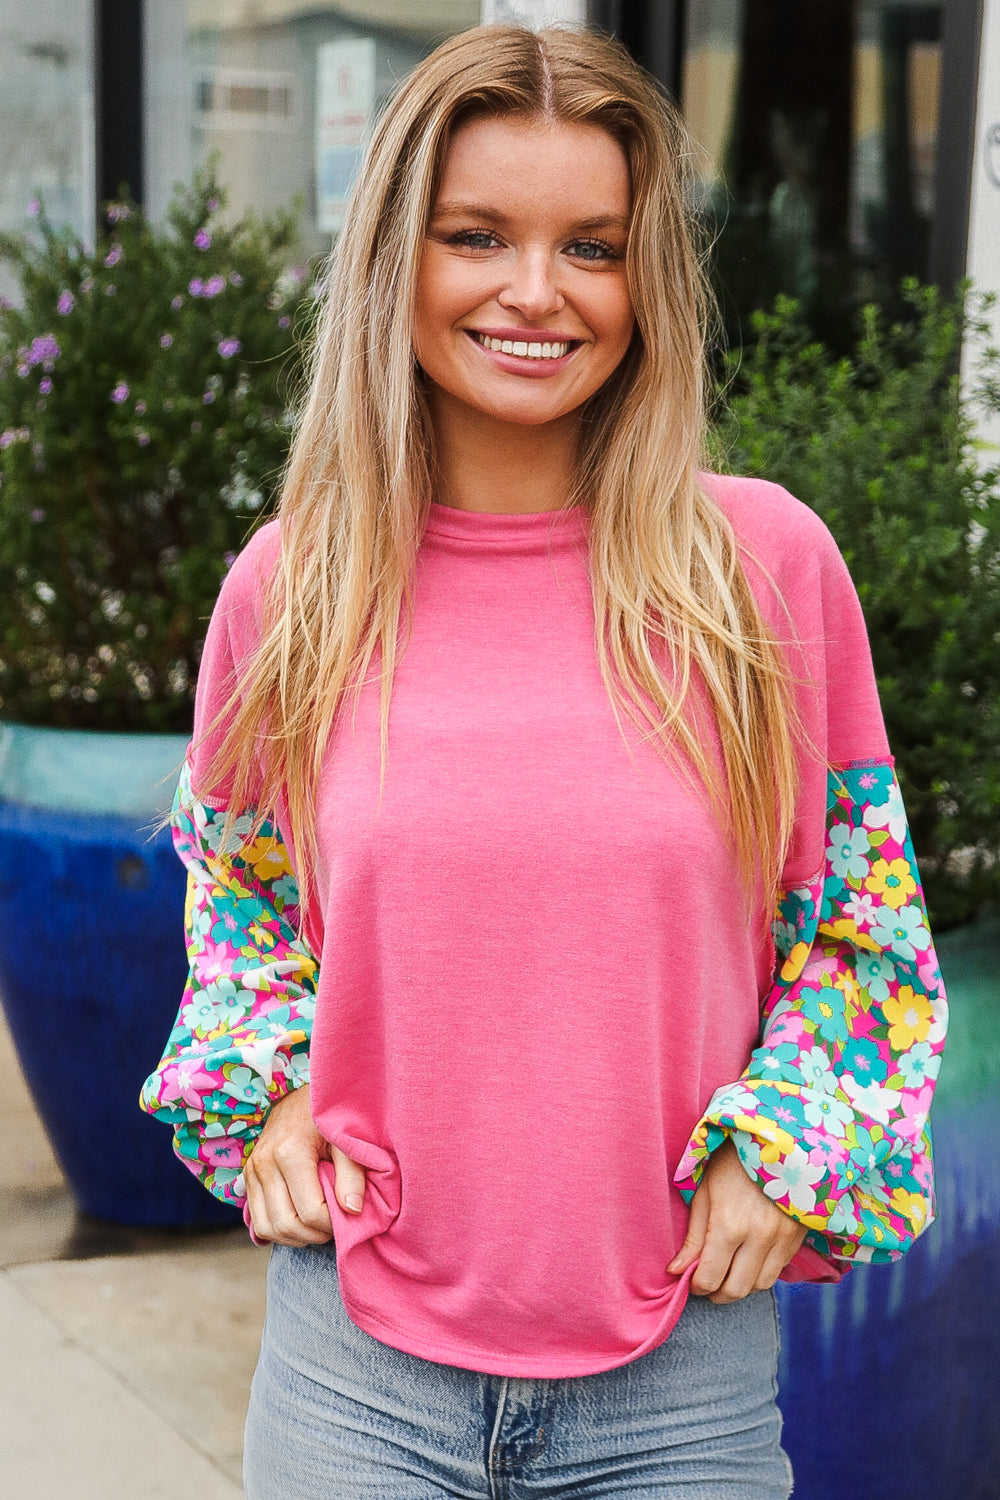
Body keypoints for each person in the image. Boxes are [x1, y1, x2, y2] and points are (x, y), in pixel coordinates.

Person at [141, 24, 947, 1499]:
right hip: (356, 1385)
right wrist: (269, 1095)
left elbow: (863, 931)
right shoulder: (294, 585)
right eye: (476, 236)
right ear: (395, 259)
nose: (535, 290)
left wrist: (784, 1146)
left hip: (679, 1387)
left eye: (593, 246)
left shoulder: (765, 572)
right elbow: (241, 911)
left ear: (649, 282)